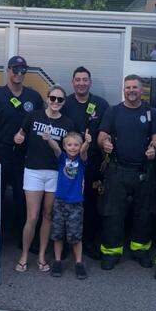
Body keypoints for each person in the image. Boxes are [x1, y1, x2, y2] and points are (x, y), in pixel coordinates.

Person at [96, 74, 156, 269]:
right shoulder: (113, 111)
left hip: (143, 171)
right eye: (128, 87)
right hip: (117, 170)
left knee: (144, 213)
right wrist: (104, 143)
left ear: (142, 90)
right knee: (113, 213)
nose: (131, 90)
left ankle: (140, 250)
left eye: (135, 87)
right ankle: (111, 252)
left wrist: (154, 148)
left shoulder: (152, 112)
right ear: (123, 90)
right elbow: (101, 136)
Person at [0, 56, 45, 251]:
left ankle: (24, 240)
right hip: (2, 153)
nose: (19, 73)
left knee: (23, 200)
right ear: (8, 70)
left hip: (25, 156)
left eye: (22, 70)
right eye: (15, 69)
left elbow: (40, 125)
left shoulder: (34, 97)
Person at [13, 85, 75, 272]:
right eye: (53, 98)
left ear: (64, 102)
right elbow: (20, 134)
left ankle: (41, 255)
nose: (56, 102)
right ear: (47, 99)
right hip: (33, 171)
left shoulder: (68, 123)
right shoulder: (33, 116)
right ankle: (24, 255)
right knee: (32, 216)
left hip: (55, 173)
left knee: (48, 215)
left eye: (60, 99)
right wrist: (18, 137)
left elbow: (68, 151)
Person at [62, 66, 110, 259]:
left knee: (90, 204)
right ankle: (65, 243)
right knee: (66, 202)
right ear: (72, 82)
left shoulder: (101, 104)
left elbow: (107, 131)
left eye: (85, 80)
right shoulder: (65, 104)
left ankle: (89, 242)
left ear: (90, 82)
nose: (81, 83)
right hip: (69, 163)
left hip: (93, 163)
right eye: (78, 80)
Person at [49, 131, 90, 280]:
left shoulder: (82, 160)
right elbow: (55, 147)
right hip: (60, 202)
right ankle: (57, 261)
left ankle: (79, 263)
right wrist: (48, 138)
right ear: (65, 146)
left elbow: (84, 151)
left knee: (75, 236)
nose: (73, 147)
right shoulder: (62, 158)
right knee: (58, 234)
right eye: (69, 145)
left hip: (75, 203)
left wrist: (87, 142)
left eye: (76, 145)